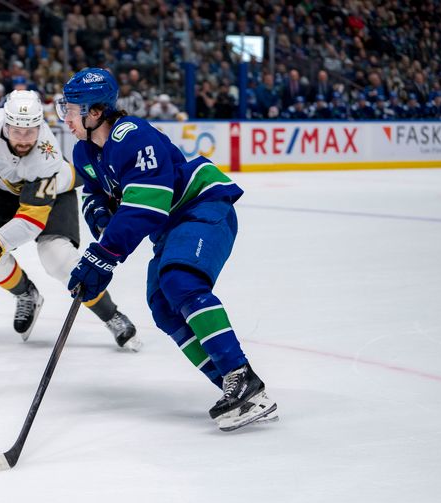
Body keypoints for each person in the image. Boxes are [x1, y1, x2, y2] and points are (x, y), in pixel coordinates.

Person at [56, 68, 277, 431]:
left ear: (95, 112)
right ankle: (231, 385)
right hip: (171, 229)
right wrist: (97, 212)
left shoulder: (133, 136)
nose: (65, 117)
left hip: (202, 208)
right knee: (162, 305)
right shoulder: (84, 153)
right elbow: (95, 193)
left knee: (180, 281)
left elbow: (147, 206)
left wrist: (104, 255)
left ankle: (243, 378)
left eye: (72, 109)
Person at [0, 90, 141, 349]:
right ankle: (26, 294)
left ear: (40, 125)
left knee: (57, 258)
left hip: (55, 193)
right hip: (0, 191)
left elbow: (30, 221)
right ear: (5, 125)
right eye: (17, 131)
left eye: (31, 131)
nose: (24, 139)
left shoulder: (47, 157)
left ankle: (111, 314)